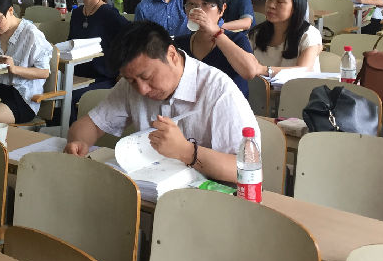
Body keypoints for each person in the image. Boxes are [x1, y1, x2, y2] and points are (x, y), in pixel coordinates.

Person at [63, 22, 257, 184]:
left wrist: (186, 151)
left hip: (207, 200)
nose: (142, 90)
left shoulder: (219, 91)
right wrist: (78, 142)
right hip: (151, 194)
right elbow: (91, 125)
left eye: (147, 77)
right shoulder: (132, 83)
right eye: (131, 81)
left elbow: (248, 169)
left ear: (172, 55)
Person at [175, 0, 254, 98]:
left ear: (222, 10)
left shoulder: (237, 40)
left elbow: (250, 72)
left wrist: (215, 32)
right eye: (191, 4)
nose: (198, 10)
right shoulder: (180, 44)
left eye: (206, 4)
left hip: (229, 106)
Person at [69, 0, 130, 105]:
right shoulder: (77, 13)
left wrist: (123, 71)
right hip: (77, 75)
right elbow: (70, 43)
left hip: (102, 77)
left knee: (70, 98)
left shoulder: (108, 13)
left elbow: (130, 38)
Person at [248, 0, 322, 77]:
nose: (271, 5)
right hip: (262, 86)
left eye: (280, 1)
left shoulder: (309, 34)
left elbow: (304, 70)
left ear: (296, 7)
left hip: (297, 86)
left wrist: (263, 70)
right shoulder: (257, 33)